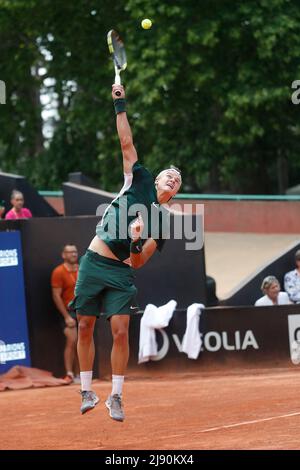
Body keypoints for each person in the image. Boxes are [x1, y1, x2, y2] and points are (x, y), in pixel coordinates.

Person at [68, 84, 182, 420]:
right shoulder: (140, 179)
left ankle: (115, 397)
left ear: (174, 194)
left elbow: (139, 260)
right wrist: (120, 104)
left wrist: (134, 240)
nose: (173, 178)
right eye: (169, 175)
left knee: (120, 330)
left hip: (119, 272)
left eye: (177, 180)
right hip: (93, 260)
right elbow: (126, 143)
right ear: (157, 178)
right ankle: (87, 390)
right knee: (85, 326)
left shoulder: (162, 222)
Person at [51, 244, 80, 384]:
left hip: (83, 311)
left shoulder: (82, 269)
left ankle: (81, 375)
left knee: (83, 343)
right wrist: (67, 317)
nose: (73, 254)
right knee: (72, 340)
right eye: (70, 252)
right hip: (68, 312)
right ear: (64, 255)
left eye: (75, 252)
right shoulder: (58, 272)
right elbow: (56, 296)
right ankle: (69, 373)